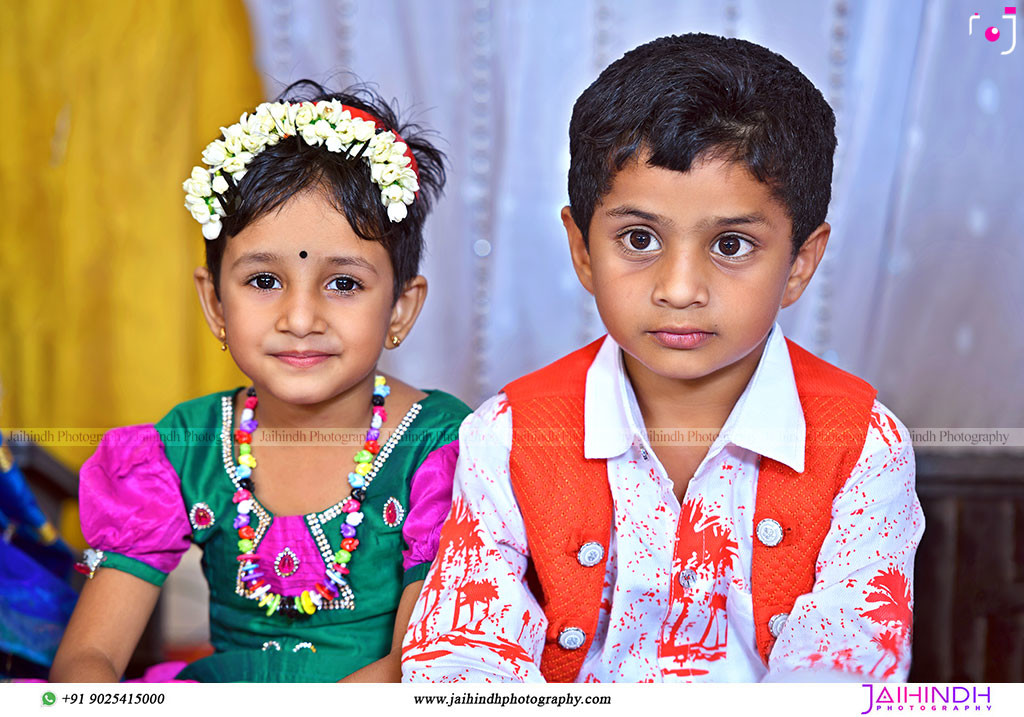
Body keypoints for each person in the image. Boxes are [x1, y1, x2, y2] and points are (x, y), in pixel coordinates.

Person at [402, 34, 924, 683]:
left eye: (732, 244)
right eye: (639, 238)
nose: (680, 288)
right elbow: (460, 658)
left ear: (801, 263)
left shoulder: (866, 445)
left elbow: (847, 670)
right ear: (583, 249)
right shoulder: (506, 435)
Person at [50, 81, 470, 683]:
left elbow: (416, 665)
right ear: (215, 303)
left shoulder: (438, 447)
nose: (300, 319)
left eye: (344, 283)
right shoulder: (187, 446)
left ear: (401, 308)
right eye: (264, 281)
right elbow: (87, 659)